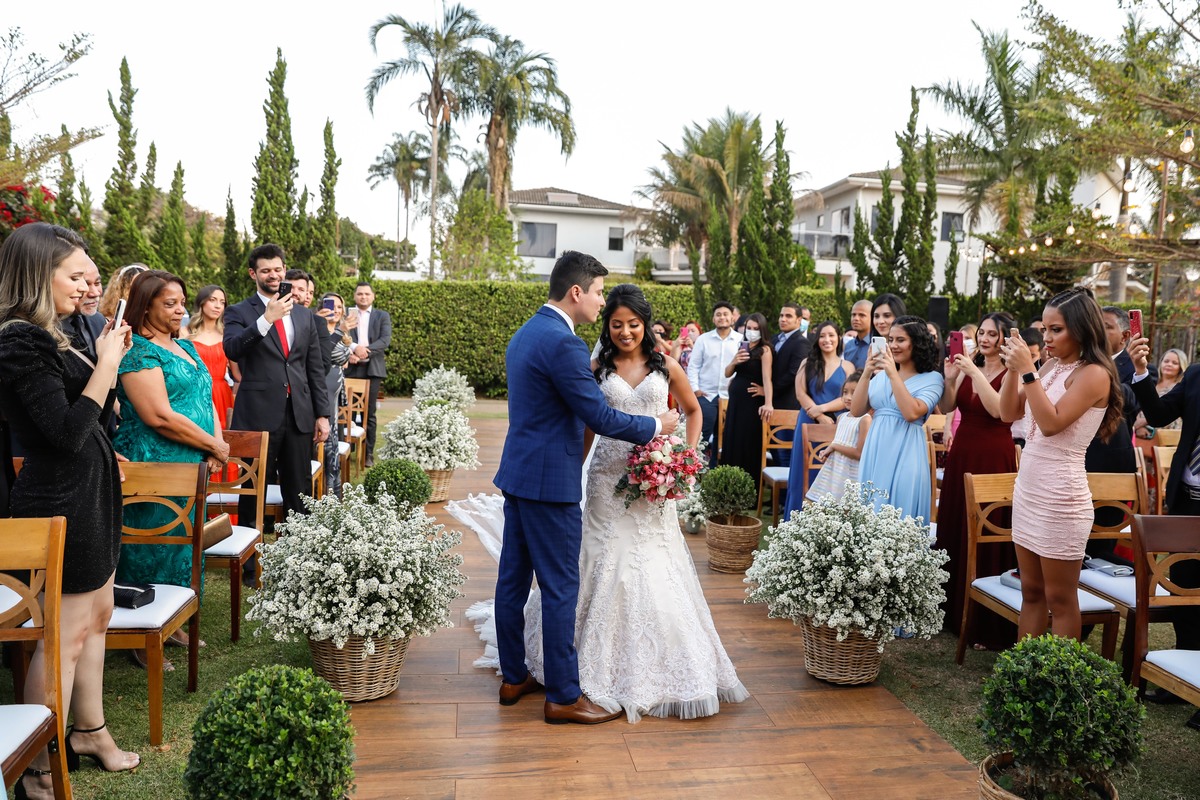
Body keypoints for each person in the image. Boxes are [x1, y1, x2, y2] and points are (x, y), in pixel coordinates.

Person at [493, 251, 678, 725]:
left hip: (519, 475)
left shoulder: (526, 332)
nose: (600, 301)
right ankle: (563, 695)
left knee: (512, 581)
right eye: (597, 292)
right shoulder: (565, 344)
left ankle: (513, 676)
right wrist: (656, 425)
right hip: (550, 485)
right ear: (576, 292)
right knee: (560, 588)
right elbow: (599, 416)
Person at [0, 223, 139, 799]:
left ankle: (89, 732)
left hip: (90, 491)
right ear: (39, 274)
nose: (88, 286)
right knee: (64, 637)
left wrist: (106, 358)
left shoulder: (55, 335)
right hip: (61, 501)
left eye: (91, 276)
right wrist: (106, 364)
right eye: (76, 276)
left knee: (98, 617)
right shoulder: (19, 341)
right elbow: (64, 433)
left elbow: (95, 421)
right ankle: (34, 767)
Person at [113, 271, 227, 662]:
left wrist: (216, 446)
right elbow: (158, 416)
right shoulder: (138, 351)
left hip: (192, 461)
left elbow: (206, 399)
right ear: (146, 306)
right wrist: (213, 444)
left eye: (181, 302)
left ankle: (173, 620)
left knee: (183, 546)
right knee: (151, 545)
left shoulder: (186, 346)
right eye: (170, 304)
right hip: (153, 462)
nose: (180, 310)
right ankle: (140, 634)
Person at [999, 287, 1121, 644]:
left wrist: (1027, 370)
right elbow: (1008, 413)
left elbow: (1051, 424)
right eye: (1045, 329)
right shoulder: (1051, 365)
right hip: (1029, 490)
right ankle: (1024, 669)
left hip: (1061, 497)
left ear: (1081, 329)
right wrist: (1013, 370)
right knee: (1031, 591)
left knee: (1060, 598)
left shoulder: (1094, 374)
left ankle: (1057, 675)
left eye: (1057, 329)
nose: (1047, 338)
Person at [224, 243, 330, 540]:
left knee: (299, 490)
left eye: (278, 269)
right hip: (257, 416)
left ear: (284, 270)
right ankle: (248, 557)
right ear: (253, 274)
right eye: (266, 270)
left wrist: (322, 414)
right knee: (252, 490)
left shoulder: (304, 315)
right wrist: (266, 319)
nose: (273, 275)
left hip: (298, 415)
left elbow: (314, 368)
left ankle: (298, 552)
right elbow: (232, 348)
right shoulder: (239, 311)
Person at [1129, 331, 1200, 729]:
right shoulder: (1197, 375)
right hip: (1187, 501)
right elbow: (1156, 415)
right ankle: (1181, 680)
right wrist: (1141, 371)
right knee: (1183, 588)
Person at [937, 312, 1019, 648]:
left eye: (992, 334)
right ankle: (949, 611)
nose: (984, 339)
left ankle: (984, 620)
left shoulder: (1012, 372)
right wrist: (950, 379)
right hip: (962, 452)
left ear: (1004, 338)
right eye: (981, 333)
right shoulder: (968, 366)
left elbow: (999, 410)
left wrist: (972, 372)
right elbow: (947, 406)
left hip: (994, 455)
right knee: (956, 523)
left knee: (987, 527)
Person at [851, 315, 944, 522]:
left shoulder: (933, 379)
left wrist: (893, 373)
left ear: (917, 343)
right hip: (876, 451)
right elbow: (856, 411)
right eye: (890, 340)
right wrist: (867, 372)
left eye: (900, 340)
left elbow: (911, 413)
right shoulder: (880, 377)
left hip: (907, 451)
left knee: (901, 510)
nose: (893, 345)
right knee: (870, 514)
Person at [783, 321, 856, 518]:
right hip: (807, 421)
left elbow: (849, 397)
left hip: (835, 425)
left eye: (831, 335)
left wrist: (823, 409)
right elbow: (800, 393)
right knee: (802, 471)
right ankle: (797, 519)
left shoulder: (847, 366)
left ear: (839, 338)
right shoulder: (806, 363)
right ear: (817, 339)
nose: (827, 340)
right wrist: (817, 415)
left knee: (830, 471)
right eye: (822, 336)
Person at [717, 312, 773, 485]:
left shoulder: (764, 350)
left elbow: (767, 378)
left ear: (762, 330)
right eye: (749, 327)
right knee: (732, 439)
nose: (752, 331)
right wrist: (735, 361)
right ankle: (729, 484)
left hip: (751, 403)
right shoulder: (743, 346)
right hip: (735, 403)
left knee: (746, 442)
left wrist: (768, 402)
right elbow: (727, 373)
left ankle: (748, 485)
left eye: (756, 328)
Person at [686, 301, 743, 461]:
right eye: (718, 314)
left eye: (725, 314)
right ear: (713, 318)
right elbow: (693, 366)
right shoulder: (703, 339)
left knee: (725, 436)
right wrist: (695, 389)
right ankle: (697, 467)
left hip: (730, 396)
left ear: (732, 318)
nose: (722, 317)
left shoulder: (740, 340)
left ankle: (718, 469)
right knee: (703, 435)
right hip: (706, 395)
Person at [345, 281, 391, 468]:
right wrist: (352, 350)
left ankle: (368, 453)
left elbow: (384, 340)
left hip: (372, 369)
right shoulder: (348, 314)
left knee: (369, 412)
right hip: (350, 367)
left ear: (373, 296)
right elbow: (340, 336)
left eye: (366, 294)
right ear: (354, 296)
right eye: (360, 294)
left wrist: (365, 351)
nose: (363, 297)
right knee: (347, 411)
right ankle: (347, 448)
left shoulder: (382, 316)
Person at [805, 373, 871, 504]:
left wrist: (834, 446)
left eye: (854, 393)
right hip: (834, 472)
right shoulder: (841, 418)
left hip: (850, 475)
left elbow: (860, 453)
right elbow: (839, 442)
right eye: (845, 392)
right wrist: (829, 451)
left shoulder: (865, 420)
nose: (848, 397)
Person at [186, 284, 238, 432]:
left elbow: (238, 375)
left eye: (222, 302)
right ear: (202, 302)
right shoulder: (185, 334)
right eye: (213, 300)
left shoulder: (228, 336)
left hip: (222, 394)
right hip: (195, 393)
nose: (218, 306)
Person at [318, 291, 354, 497]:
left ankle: (334, 491)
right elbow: (325, 356)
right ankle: (325, 492)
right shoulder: (319, 330)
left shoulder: (343, 333)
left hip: (335, 390)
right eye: (332, 306)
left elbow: (342, 360)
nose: (336, 310)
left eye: (340, 307)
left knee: (333, 439)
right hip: (323, 389)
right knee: (327, 441)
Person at [768, 303, 811, 469]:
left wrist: (768, 390)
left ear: (799, 320)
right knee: (774, 453)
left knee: (785, 455)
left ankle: (786, 486)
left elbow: (793, 373)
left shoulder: (801, 343)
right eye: (781, 315)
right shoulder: (774, 339)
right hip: (771, 405)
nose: (783, 319)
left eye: (788, 316)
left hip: (788, 405)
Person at [1134, 348, 1187, 439]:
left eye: (1174, 363)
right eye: (1166, 361)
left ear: (1181, 367)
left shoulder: (1180, 389)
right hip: (1138, 434)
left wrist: (1144, 422)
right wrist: (1138, 427)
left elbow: (1170, 414)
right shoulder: (1150, 383)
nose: (1169, 364)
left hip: (1168, 436)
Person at [843, 299, 873, 371]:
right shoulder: (849, 345)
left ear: (872, 318)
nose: (856, 318)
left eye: (862, 315)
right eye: (853, 315)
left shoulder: (877, 346)